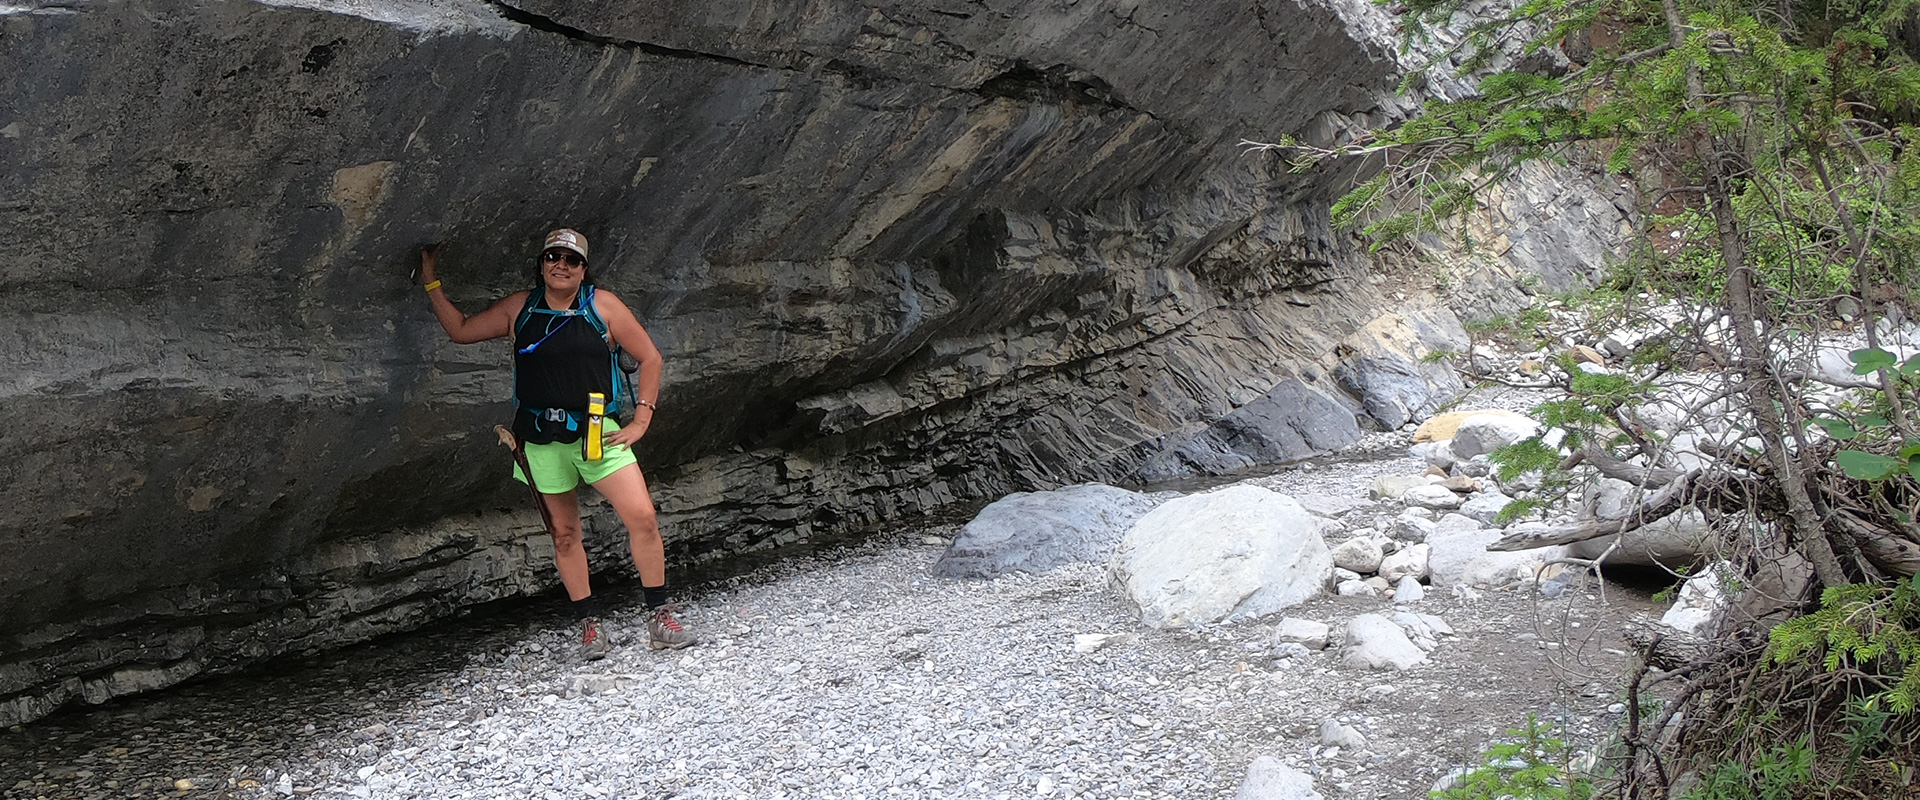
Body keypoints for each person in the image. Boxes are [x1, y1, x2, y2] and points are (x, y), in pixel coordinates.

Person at [418, 228, 694, 659]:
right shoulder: (519, 309)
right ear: (542, 263)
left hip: (599, 436)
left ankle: (660, 616)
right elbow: (461, 331)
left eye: (571, 259)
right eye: (553, 257)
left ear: (584, 268)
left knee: (642, 517)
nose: (561, 266)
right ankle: (589, 625)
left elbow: (651, 358)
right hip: (540, 442)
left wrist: (641, 420)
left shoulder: (602, 306)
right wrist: (431, 280)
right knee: (564, 536)